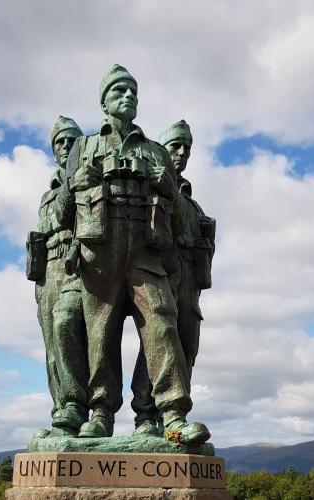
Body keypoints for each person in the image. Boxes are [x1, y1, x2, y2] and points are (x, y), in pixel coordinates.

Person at [55, 65, 209, 443]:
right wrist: (76, 184)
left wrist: (167, 189)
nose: (128, 98)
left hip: (145, 250)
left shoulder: (154, 151)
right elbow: (62, 212)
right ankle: (101, 412)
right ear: (104, 101)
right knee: (100, 331)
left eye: (133, 93)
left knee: (162, 320)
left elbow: (178, 218)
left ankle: (171, 415)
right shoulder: (84, 147)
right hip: (101, 250)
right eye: (120, 91)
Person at [131, 120, 216, 438]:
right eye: (175, 146)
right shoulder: (147, 189)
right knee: (156, 344)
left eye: (187, 148)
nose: (181, 153)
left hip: (190, 286)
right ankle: (146, 416)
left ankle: (173, 421)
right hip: (160, 273)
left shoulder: (193, 203)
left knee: (186, 349)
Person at [33, 116, 88, 436]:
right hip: (47, 273)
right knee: (52, 346)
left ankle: (78, 404)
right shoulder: (47, 194)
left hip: (76, 266)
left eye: (71, 141)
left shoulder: (86, 181)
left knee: (67, 326)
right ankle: (62, 416)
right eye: (60, 142)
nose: (66, 146)